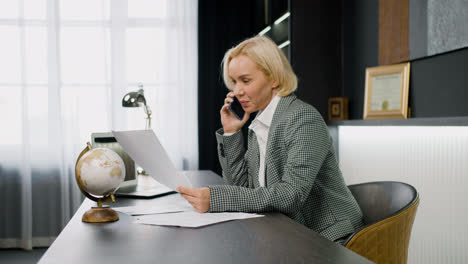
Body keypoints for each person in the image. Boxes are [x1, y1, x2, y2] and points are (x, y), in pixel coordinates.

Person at [177, 36, 363, 244]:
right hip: (288, 232)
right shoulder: (261, 123)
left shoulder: (302, 118)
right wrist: (231, 133)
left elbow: (290, 195)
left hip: (332, 238)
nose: (236, 91)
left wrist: (217, 199)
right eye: (234, 81)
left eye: (245, 81)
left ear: (274, 78)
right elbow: (244, 189)